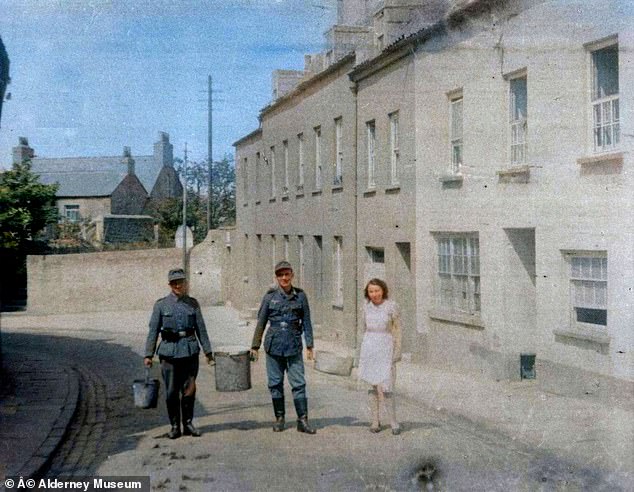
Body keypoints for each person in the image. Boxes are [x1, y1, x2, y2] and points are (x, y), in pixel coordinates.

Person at [144, 268, 214, 439]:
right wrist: (148, 354)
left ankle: (188, 424)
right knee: (171, 392)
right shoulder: (161, 305)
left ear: (185, 283)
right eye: (174, 283)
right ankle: (175, 426)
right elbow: (153, 331)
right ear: (169, 284)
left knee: (189, 390)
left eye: (180, 282)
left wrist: (208, 351)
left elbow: (201, 329)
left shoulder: (193, 304)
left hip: (190, 352)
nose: (177, 285)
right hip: (169, 353)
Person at [249, 260, 316, 434]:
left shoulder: (300, 296)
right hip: (274, 346)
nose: (284, 278)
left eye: (287, 274)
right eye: (280, 275)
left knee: (299, 383)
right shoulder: (270, 297)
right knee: (275, 383)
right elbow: (261, 322)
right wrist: (255, 346)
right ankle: (280, 418)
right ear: (277, 277)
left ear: (292, 275)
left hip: (293, 345)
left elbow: (307, 321)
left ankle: (303, 420)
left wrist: (309, 344)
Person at [358, 278, 402, 435]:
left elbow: (397, 330)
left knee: (387, 386)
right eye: (371, 291)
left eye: (377, 290)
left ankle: (393, 421)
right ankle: (375, 421)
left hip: (386, 346)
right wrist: (361, 353)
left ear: (383, 290)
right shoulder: (366, 308)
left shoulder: (391, 307)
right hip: (370, 347)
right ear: (367, 293)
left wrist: (397, 352)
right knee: (372, 385)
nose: (374, 294)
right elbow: (362, 330)